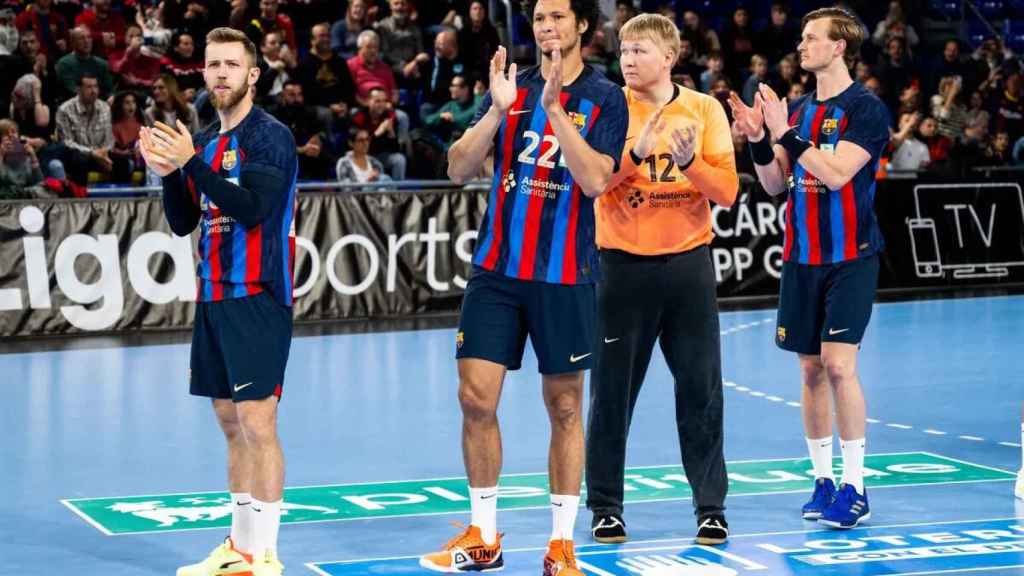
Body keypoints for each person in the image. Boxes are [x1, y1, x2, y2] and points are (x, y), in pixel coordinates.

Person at [417, 0, 627, 573]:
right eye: (539, 18)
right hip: (497, 272)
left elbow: (595, 181)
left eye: (559, 16)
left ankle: (561, 545)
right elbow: (457, 168)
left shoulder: (606, 97)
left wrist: (555, 112)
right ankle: (483, 534)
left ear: (583, 24)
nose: (547, 27)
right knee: (474, 398)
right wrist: (496, 112)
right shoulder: (510, 85)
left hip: (564, 275)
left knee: (563, 406)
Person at [138, 26, 298, 576]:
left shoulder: (269, 136)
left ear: (253, 75)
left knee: (258, 422)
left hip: (257, 295)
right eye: (213, 65)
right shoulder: (204, 139)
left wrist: (190, 164)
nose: (222, 73)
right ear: (203, 73)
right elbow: (184, 220)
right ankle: (240, 547)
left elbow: (252, 207)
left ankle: (269, 556)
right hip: (212, 296)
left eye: (232, 64)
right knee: (230, 422)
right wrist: (167, 173)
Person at [729, 6, 890, 530]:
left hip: (850, 257)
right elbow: (776, 183)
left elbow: (839, 173)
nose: (801, 45)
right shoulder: (795, 108)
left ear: (839, 46)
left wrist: (788, 136)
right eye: (801, 37)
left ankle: (856, 486)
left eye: (811, 37)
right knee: (810, 369)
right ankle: (823, 482)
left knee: (840, 365)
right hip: (801, 258)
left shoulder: (865, 108)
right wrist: (758, 138)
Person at [586, 12, 738, 546]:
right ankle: (605, 506)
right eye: (624, 50)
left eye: (639, 51)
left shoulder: (703, 109)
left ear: (669, 58)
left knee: (701, 390)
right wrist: (636, 154)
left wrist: (690, 162)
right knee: (611, 395)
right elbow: (593, 181)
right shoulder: (607, 106)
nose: (627, 60)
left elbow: (727, 192)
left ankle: (711, 507)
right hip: (621, 266)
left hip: (688, 268)